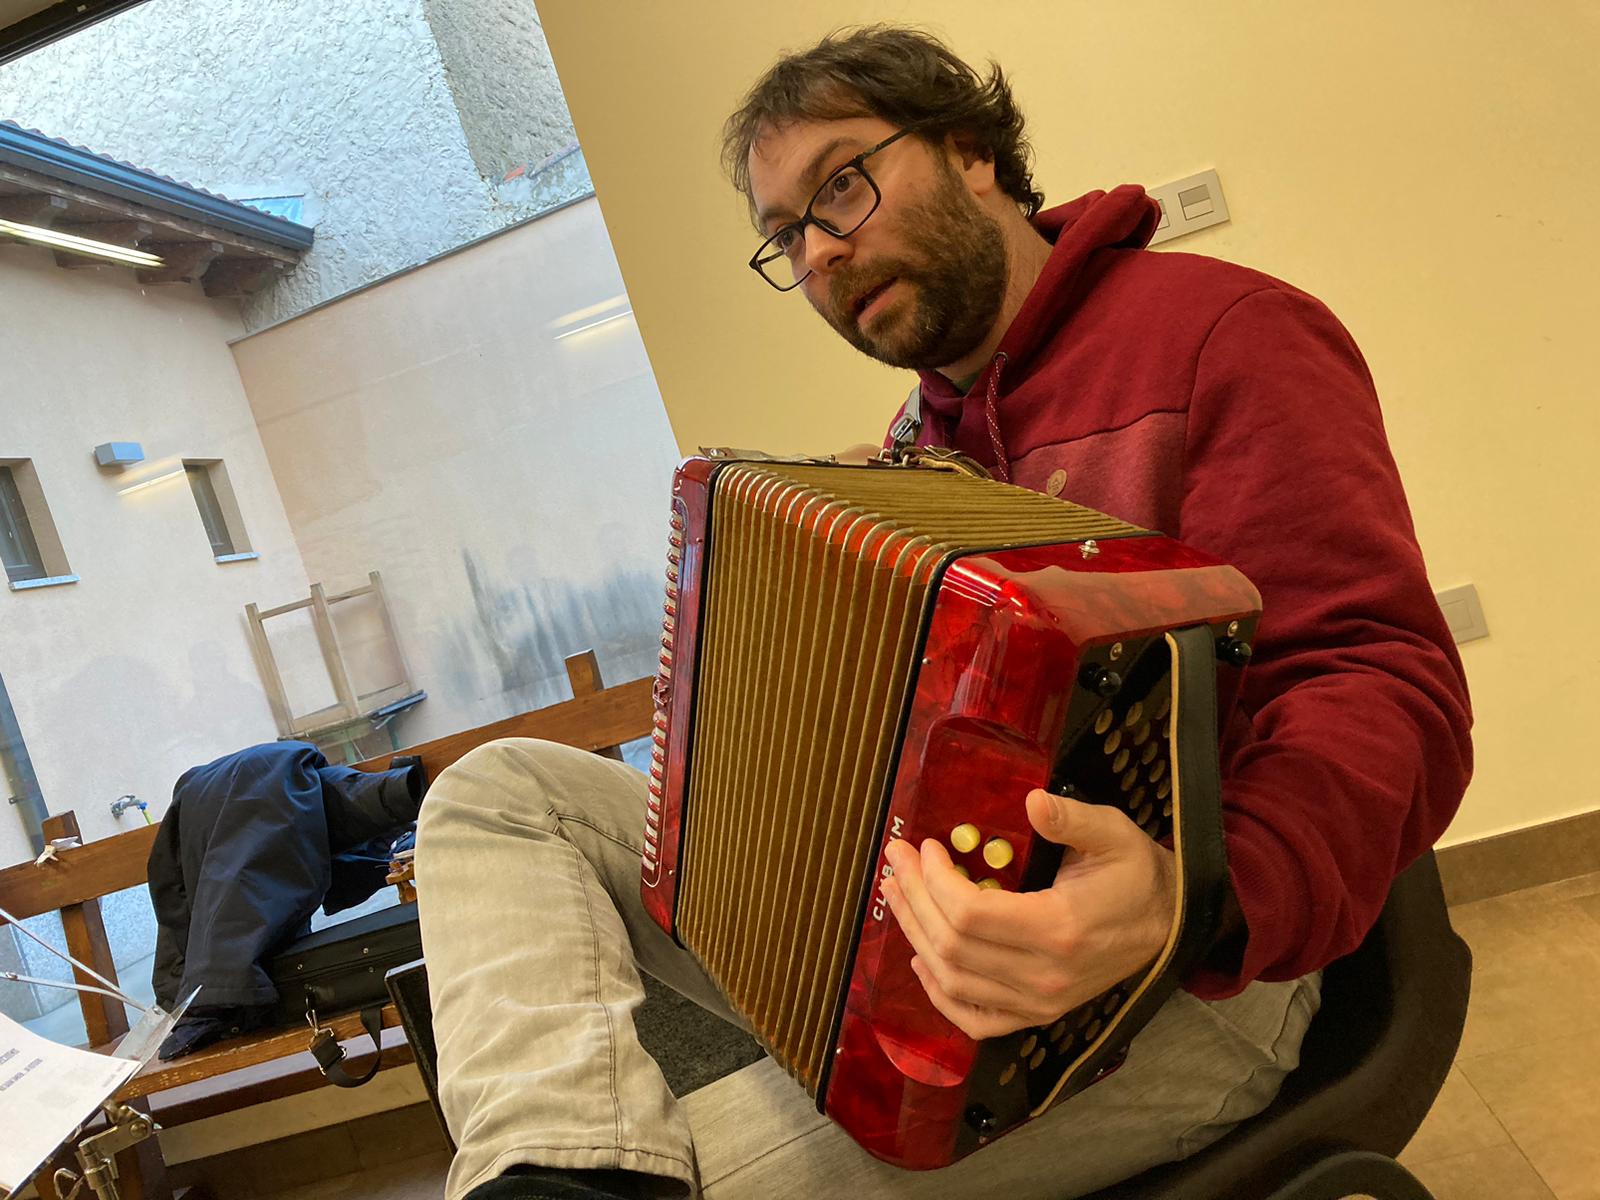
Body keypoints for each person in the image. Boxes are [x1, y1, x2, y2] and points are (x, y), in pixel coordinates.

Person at [416, 25, 1472, 1200]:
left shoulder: (1218, 335)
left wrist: (1184, 906)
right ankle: (552, 1169)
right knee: (502, 796)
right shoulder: (913, 460)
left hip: (1174, 989)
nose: (819, 252)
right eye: (785, 236)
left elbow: (1379, 681)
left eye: (841, 187)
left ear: (971, 151)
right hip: (919, 947)